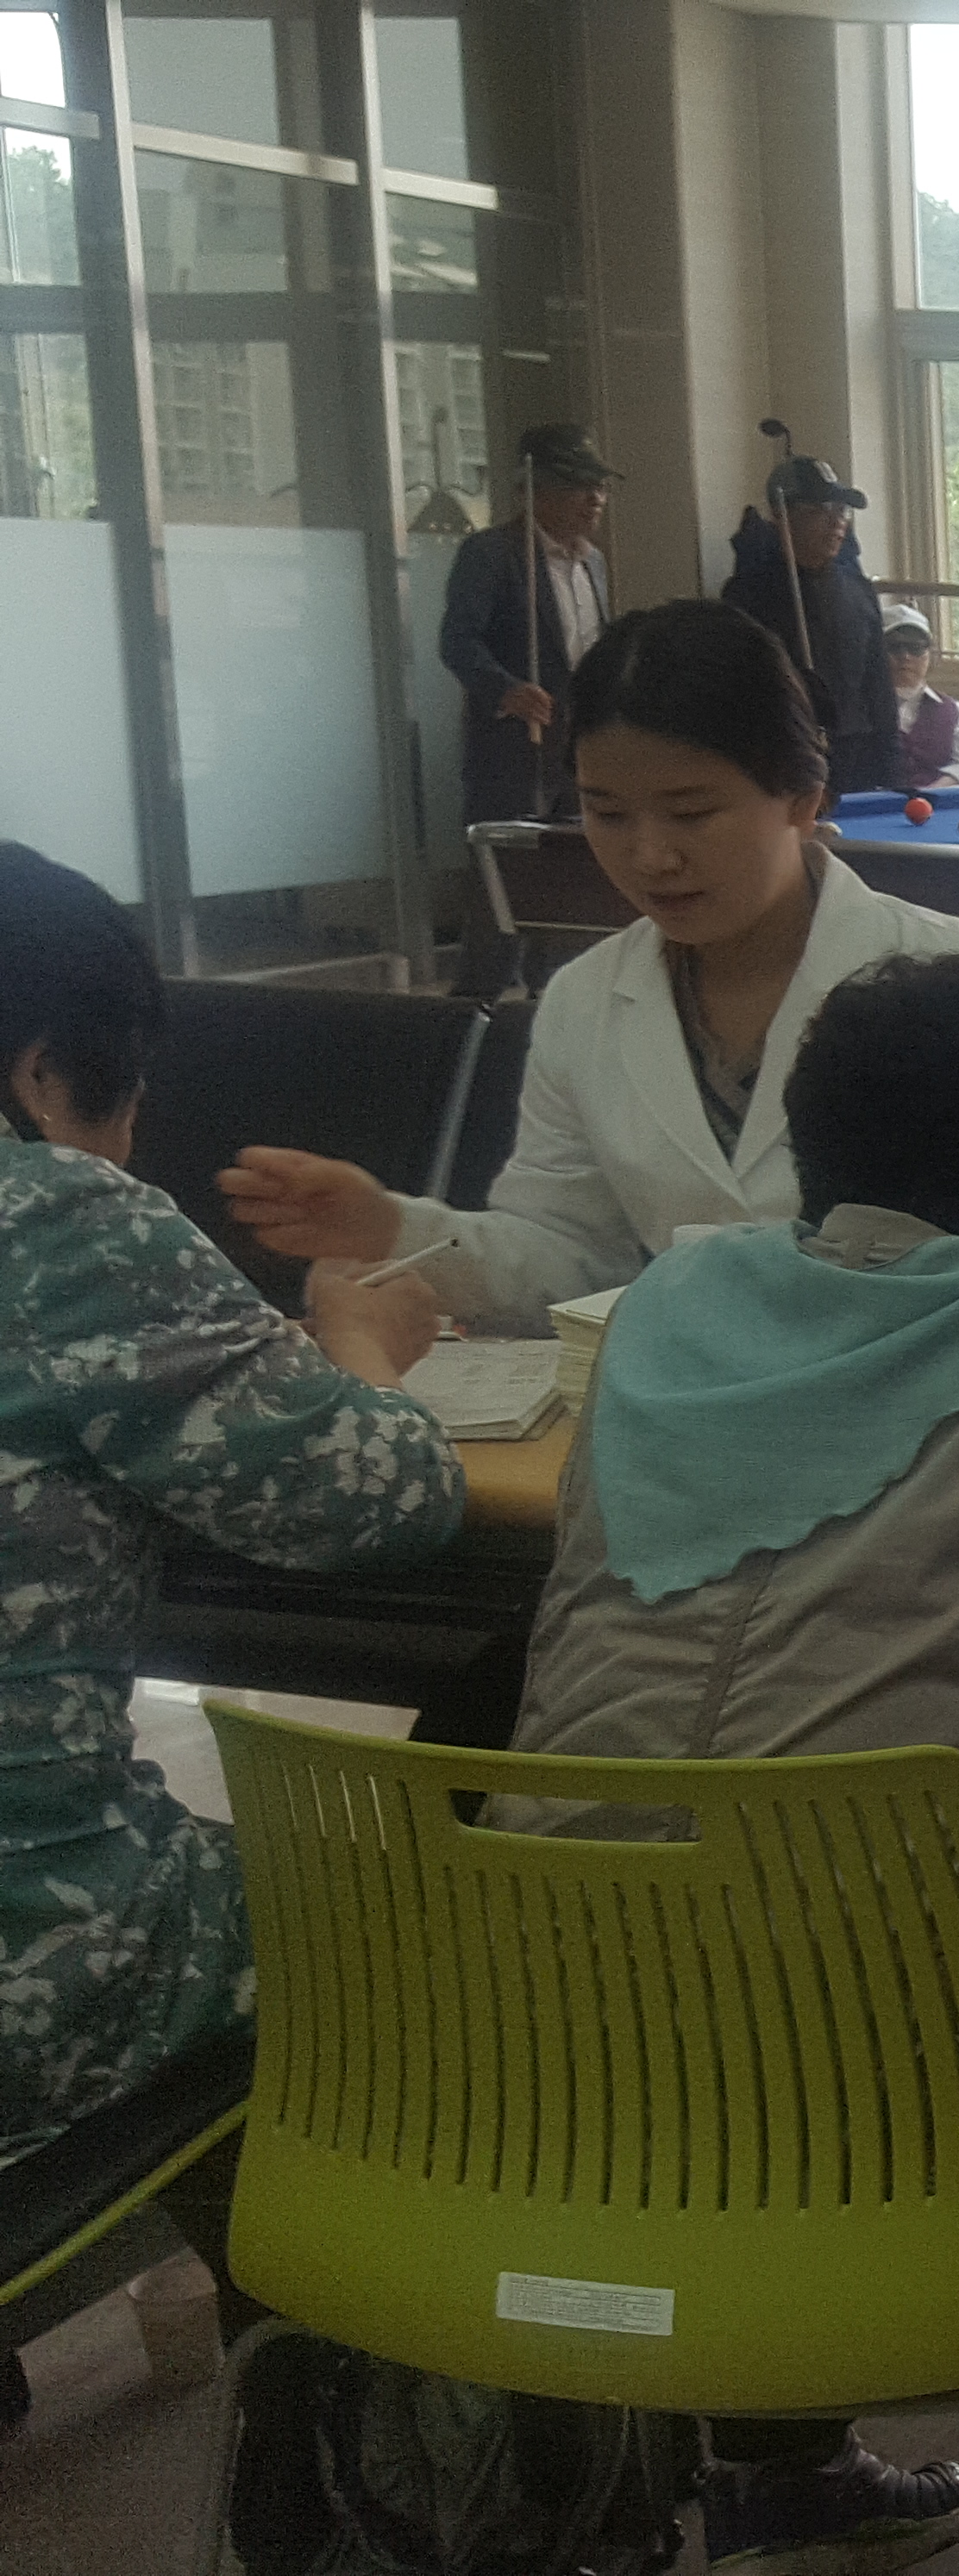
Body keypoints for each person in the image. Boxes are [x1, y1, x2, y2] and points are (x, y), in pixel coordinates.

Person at [492, 954, 959, 2573]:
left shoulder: (657, 1315)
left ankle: (777, 2460)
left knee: (734, 1856)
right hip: (913, 2098)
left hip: (529, 2057)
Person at [3, 846, 462, 2175]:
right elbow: (389, 1500)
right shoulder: (61, 1219)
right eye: (124, 1095)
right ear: (43, 1071)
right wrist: (359, 1344)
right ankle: (332, 2308)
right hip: (40, 1966)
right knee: (428, 1910)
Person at [218, 603, 959, 1331]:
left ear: (802, 795)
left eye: (692, 813)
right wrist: (389, 1229)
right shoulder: (586, 1001)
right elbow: (574, 1257)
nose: (649, 857)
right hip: (686, 1416)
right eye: (606, 813)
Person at [438, 422, 617, 826]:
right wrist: (507, 690)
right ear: (537, 490)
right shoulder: (492, 553)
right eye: (579, 485)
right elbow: (458, 640)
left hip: (578, 754)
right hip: (513, 755)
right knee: (515, 861)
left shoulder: (593, 562)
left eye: (601, 487)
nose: (595, 499)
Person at [722, 453, 900, 796]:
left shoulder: (859, 591)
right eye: (820, 510)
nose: (837, 522)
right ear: (782, 516)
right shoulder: (747, 596)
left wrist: (893, 773)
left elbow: (879, 690)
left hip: (858, 759)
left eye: (842, 511)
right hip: (786, 761)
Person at [881, 607, 959, 791]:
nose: (905, 656)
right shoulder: (858, 710)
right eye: (895, 647)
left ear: (930, 656)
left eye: (916, 648)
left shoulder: (957, 712)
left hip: (936, 805)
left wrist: (929, 793)